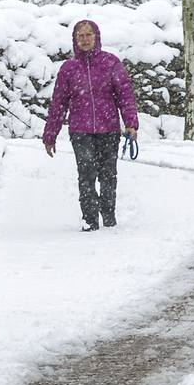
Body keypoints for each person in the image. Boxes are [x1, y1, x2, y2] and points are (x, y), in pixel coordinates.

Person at [42, 19, 139, 231]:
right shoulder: (68, 69)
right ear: (75, 40)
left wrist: (131, 123)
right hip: (80, 131)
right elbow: (58, 103)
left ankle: (109, 217)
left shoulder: (110, 62)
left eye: (88, 35)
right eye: (81, 36)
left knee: (108, 175)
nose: (85, 39)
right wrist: (50, 134)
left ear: (96, 37)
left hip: (109, 128)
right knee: (86, 174)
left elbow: (125, 95)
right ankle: (90, 220)